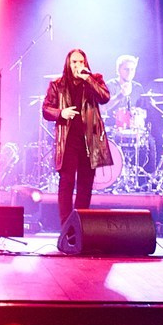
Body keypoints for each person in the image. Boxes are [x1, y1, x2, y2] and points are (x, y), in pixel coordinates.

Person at [41, 47, 115, 225]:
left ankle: (81, 225)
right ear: (68, 63)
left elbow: (105, 97)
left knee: (85, 184)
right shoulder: (57, 84)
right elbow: (45, 109)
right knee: (66, 183)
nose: (78, 65)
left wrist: (88, 79)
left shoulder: (94, 79)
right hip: (67, 141)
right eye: (74, 62)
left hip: (89, 140)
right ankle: (66, 226)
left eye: (81, 62)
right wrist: (61, 113)